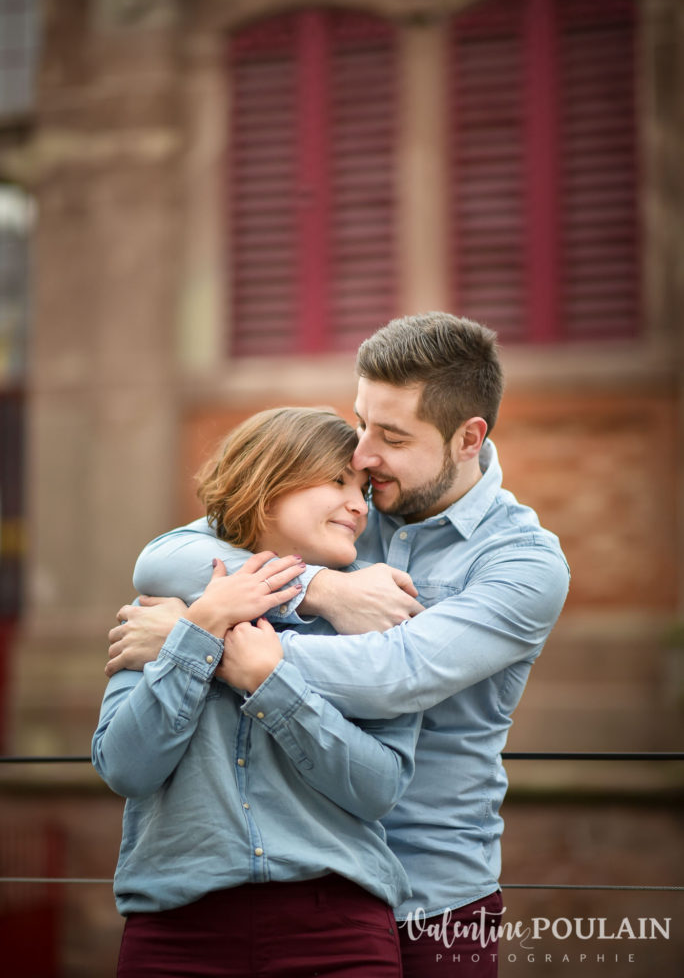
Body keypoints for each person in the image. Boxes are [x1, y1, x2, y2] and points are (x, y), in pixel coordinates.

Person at [108, 313, 570, 978]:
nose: (363, 455)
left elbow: (394, 675)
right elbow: (165, 557)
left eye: (393, 436)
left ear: (469, 438)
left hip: (436, 893)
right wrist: (321, 589)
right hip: (295, 875)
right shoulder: (343, 512)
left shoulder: (523, 563)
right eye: (362, 423)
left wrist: (202, 643)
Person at [93, 407, 423, 978]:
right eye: (339, 481)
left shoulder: (375, 612)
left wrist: (270, 683)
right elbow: (125, 768)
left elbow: (379, 788)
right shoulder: (167, 607)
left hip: (338, 931)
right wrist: (202, 625)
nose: (359, 506)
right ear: (268, 484)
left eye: (364, 491)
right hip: (176, 932)